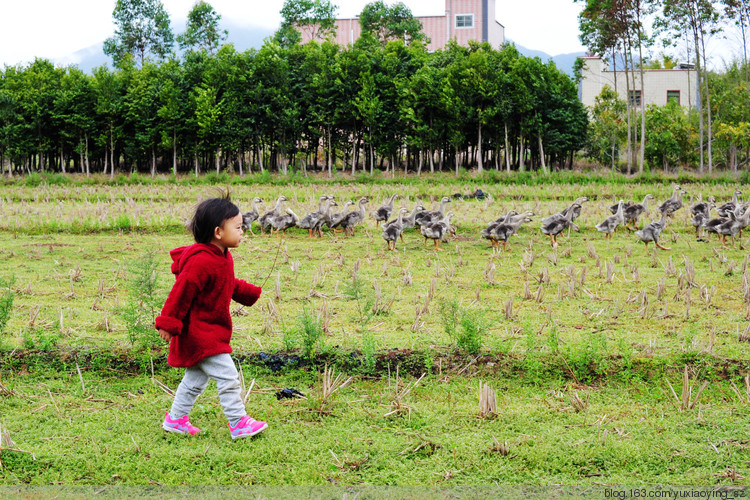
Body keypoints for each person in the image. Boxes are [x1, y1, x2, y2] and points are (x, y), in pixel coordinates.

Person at [155, 192, 267, 440]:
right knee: (228, 377)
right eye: (238, 228)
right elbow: (180, 293)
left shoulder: (222, 256)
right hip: (201, 333)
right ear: (218, 232)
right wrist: (168, 323)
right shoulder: (200, 262)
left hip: (210, 330)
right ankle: (239, 422)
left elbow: (226, 283)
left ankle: (175, 419)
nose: (242, 232)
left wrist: (248, 293)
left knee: (195, 381)